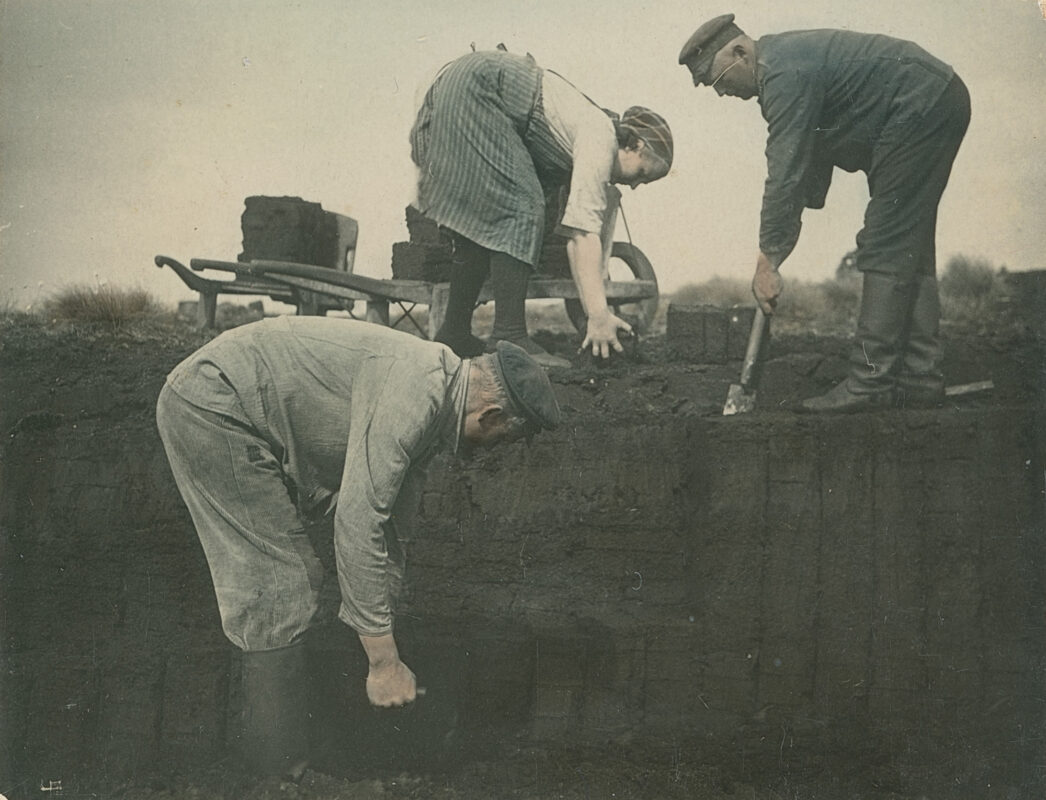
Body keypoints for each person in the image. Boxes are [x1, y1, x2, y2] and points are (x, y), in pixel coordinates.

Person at [155, 317, 560, 776]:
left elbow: (391, 530)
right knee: (278, 584)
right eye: (503, 439)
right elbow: (358, 520)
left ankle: (303, 753)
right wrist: (383, 662)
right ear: (491, 416)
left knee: (297, 584)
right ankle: (280, 775)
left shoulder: (436, 398)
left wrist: (380, 628)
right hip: (214, 406)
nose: (493, 451)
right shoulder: (416, 394)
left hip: (239, 403)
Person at [678, 15, 971, 412]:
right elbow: (805, 168)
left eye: (718, 81)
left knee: (886, 239)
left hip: (920, 105)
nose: (720, 94)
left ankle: (870, 383)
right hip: (932, 100)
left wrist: (768, 258)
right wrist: (779, 251)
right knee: (908, 246)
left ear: (740, 52)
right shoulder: (780, 68)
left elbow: (785, 174)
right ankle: (920, 376)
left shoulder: (783, 74)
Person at [411, 47, 673, 368]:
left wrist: (595, 313)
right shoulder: (599, 133)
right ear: (634, 145)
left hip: (449, 87)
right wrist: (599, 315)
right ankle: (510, 336)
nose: (633, 186)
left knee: (477, 224)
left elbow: (574, 241)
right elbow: (582, 234)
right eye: (642, 175)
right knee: (523, 206)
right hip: (479, 87)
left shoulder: (578, 135)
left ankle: (453, 332)